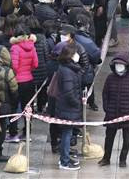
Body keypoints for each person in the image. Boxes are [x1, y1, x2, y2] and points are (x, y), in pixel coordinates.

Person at [98, 54, 129, 167]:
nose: (119, 67)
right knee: (109, 138)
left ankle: (123, 160)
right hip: (112, 114)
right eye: (117, 64)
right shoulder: (110, 78)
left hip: (128, 115)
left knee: (126, 140)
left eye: (121, 65)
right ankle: (106, 158)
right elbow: (105, 93)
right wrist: (106, 107)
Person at [54, 43, 83, 171]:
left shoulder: (67, 68)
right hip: (68, 108)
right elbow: (68, 92)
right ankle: (64, 161)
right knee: (66, 134)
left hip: (66, 107)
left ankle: (65, 157)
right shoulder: (67, 71)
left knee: (67, 133)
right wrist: (77, 103)